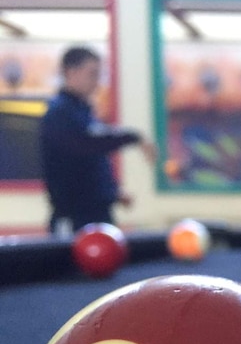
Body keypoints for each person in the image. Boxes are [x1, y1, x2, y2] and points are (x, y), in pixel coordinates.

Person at [40, 46, 155, 235]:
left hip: (96, 215)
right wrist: (134, 137)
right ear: (71, 72)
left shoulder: (82, 111)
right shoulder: (59, 113)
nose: (97, 82)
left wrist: (112, 192)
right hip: (74, 218)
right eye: (92, 74)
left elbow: (89, 163)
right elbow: (86, 144)